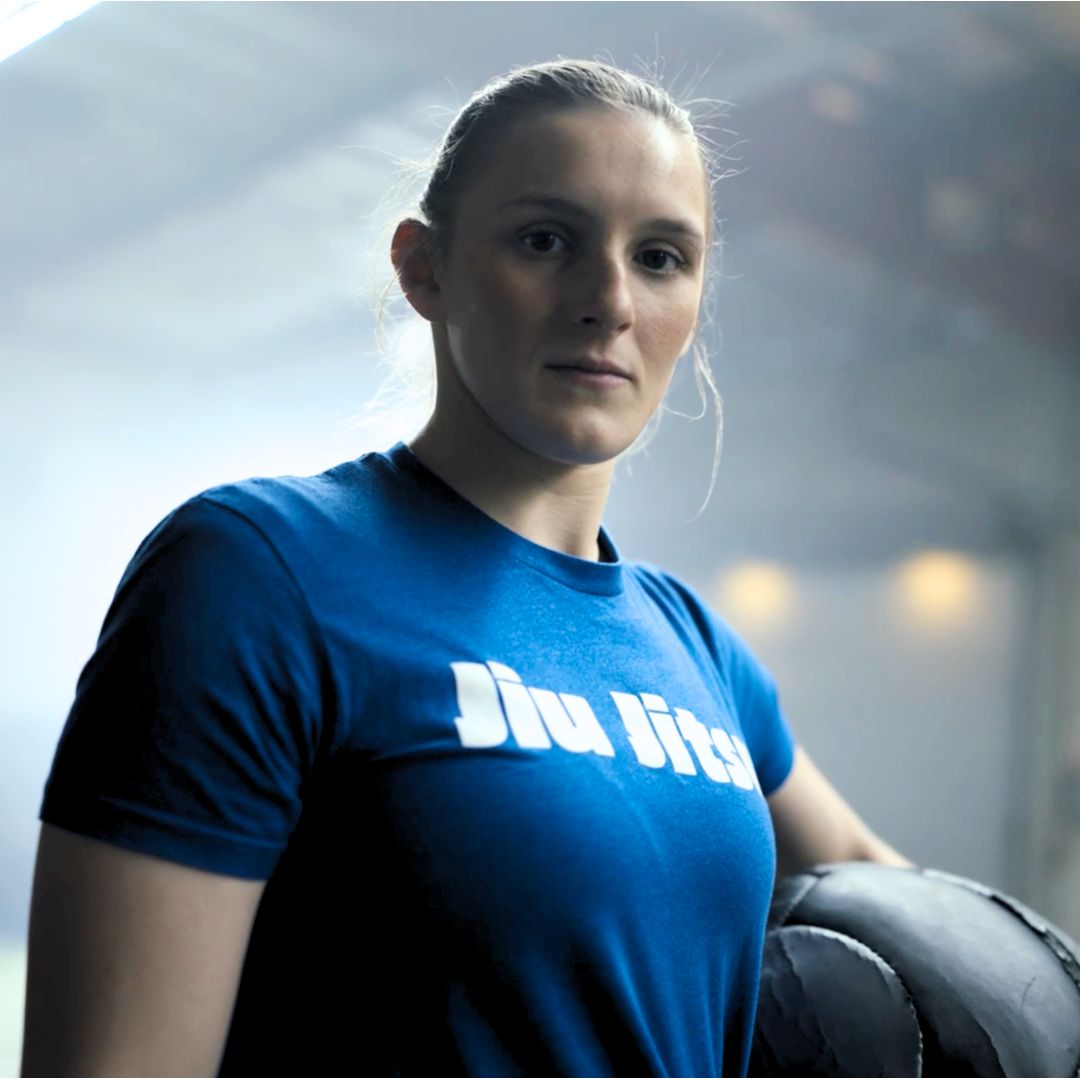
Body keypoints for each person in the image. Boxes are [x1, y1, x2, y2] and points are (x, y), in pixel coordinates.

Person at [21, 59, 910, 1078]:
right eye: (546, 240)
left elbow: (908, 914)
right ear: (423, 269)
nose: (609, 301)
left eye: (661, 257)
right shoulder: (258, 574)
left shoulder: (696, 647)